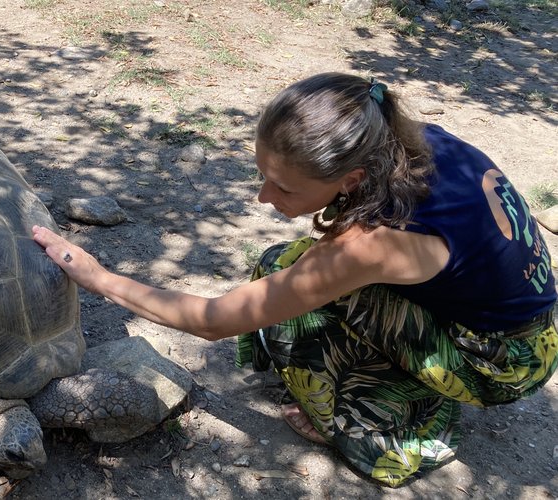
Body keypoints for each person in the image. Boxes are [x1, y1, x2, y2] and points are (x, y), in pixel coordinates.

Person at [31, 72, 558, 487]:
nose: (264, 197)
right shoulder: (407, 142)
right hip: (525, 320)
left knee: (291, 303)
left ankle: (390, 432)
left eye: (283, 188)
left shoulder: (375, 243)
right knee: (285, 268)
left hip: (502, 361)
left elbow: (215, 321)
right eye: (262, 175)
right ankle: (404, 381)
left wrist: (100, 279)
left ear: (352, 179)